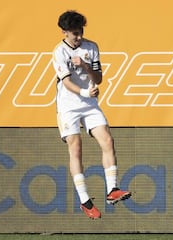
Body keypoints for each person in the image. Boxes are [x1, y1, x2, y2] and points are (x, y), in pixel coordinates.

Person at [52, 10, 131, 219]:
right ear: (64, 32)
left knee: (107, 139)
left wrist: (85, 66)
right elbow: (67, 82)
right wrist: (85, 91)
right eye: (74, 34)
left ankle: (112, 190)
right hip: (68, 105)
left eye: (81, 33)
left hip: (89, 103)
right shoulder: (59, 52)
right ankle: (85, 201)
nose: (79, 37)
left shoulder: (91, 47)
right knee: (75, 147)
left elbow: (99, 77)